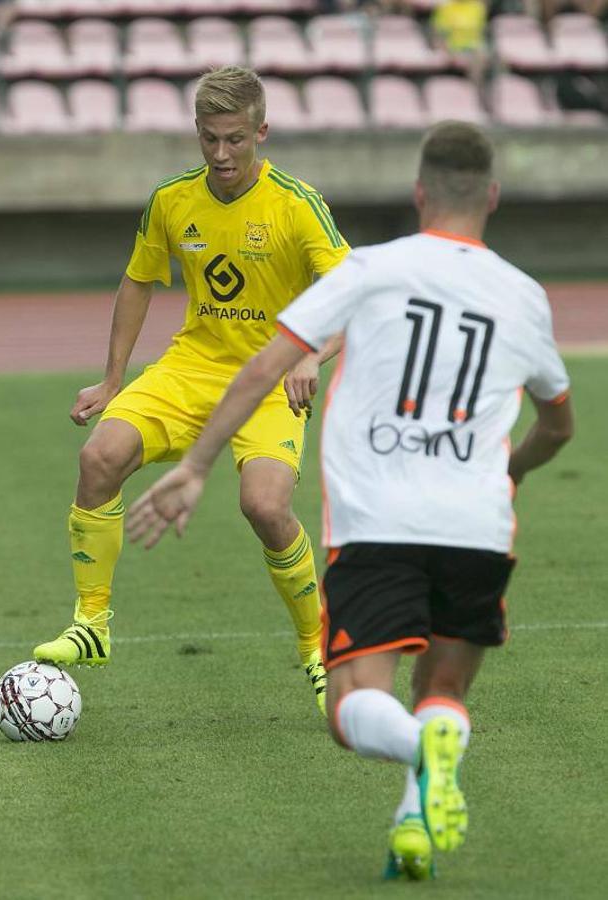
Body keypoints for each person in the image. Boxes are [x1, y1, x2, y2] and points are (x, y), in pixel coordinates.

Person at [125, 121, 573, 880]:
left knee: (353, 708)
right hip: (477, 528)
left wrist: (198, 463)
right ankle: (412, 823)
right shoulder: (524, 297)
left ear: (418, 192)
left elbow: (268, 364)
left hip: (379, 524)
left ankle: (416, 759)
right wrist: (514, 472)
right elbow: (558, 424)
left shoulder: (369, 269)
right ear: (492, 196)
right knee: (441, 692)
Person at [33, 66, 350, 716]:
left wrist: (313, 355)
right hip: (192, 369)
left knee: (264, 507)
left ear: (260, 131)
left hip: (270, 381)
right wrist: (114, 377)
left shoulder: (295, 204)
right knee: (99, 458)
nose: (222, 154)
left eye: (235, 139)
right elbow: (138, 279)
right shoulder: (173, 199)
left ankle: (314, 643)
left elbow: (353, 293)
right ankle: (92, 624)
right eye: (209, 139)